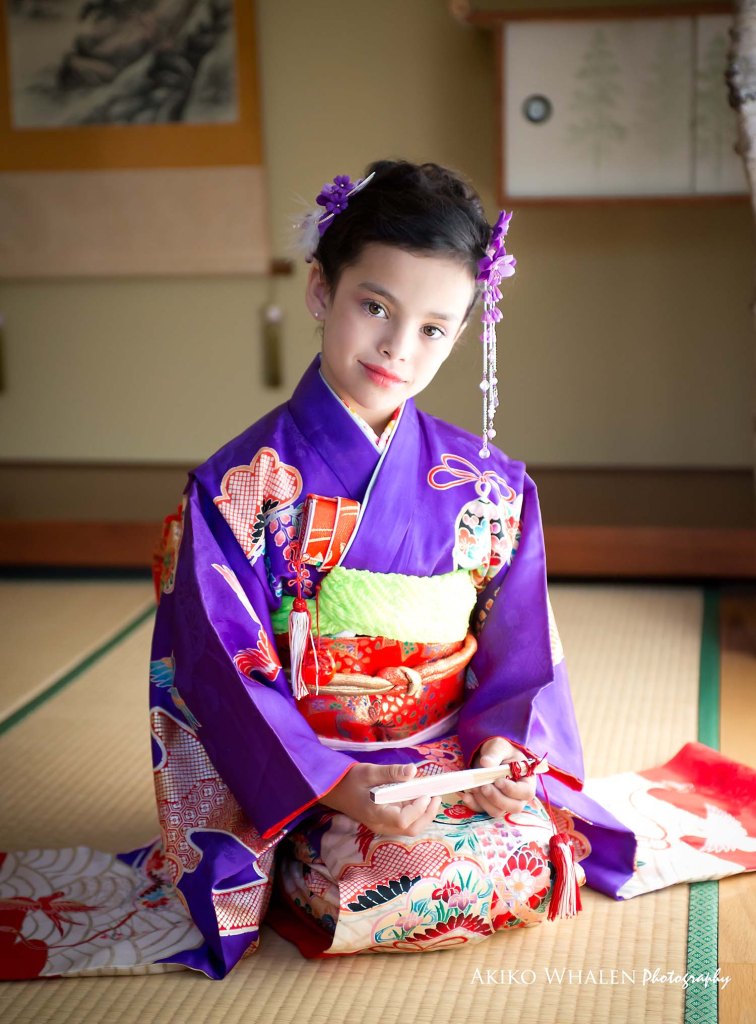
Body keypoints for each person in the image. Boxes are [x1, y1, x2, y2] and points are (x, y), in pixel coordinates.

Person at [0, 160, 640, 981]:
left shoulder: (490, 487)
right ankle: (324, 848)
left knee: (536, 854)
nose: (398, 349)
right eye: (374, 306)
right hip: (305, 781)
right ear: (319, 292)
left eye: (434, 329)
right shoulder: (242, 489)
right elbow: (220, 670)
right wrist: (336, 785)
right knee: (381, 885)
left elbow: (524, 656)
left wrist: (505, 760)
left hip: (443, 770)